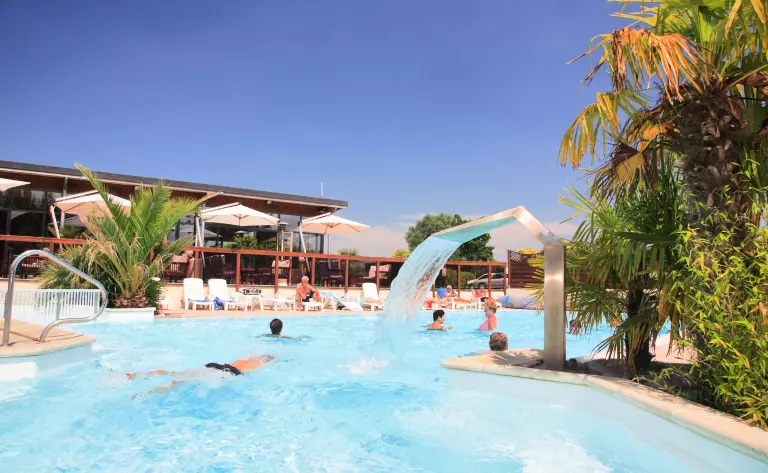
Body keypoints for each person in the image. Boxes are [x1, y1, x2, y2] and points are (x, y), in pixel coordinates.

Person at [125, 355, 274, 395]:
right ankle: (148, 393)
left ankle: (137, 375)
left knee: (176, 374)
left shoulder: (245, 359)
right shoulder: (259, 364)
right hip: (227, 373)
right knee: (179, 384)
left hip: (216, 365)